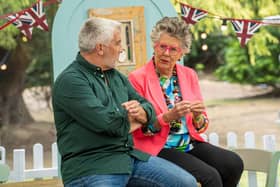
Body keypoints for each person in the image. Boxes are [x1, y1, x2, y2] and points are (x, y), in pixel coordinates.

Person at [52, 17, 197, 187]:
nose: (122, 48)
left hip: (128, 159)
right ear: (100, 48)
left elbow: (148, 109)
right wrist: (135, 118)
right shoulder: (71, 81)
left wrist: (142, 114)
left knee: (186, 183)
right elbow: (109, 125)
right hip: (91, 167)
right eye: (118, 43)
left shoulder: (116, 77)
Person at [128, 16, 244, 187]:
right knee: (210, 177)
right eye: (162, 47)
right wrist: (167, 117)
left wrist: (197, 115)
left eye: (173, 49)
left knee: (233, 164)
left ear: (182, 52)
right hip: (159, 148)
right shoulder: (137, 79)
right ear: (154, 45)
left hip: (188, 143)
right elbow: (138, 131)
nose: (166, 53)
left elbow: (201, 125)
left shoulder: (189, 75)